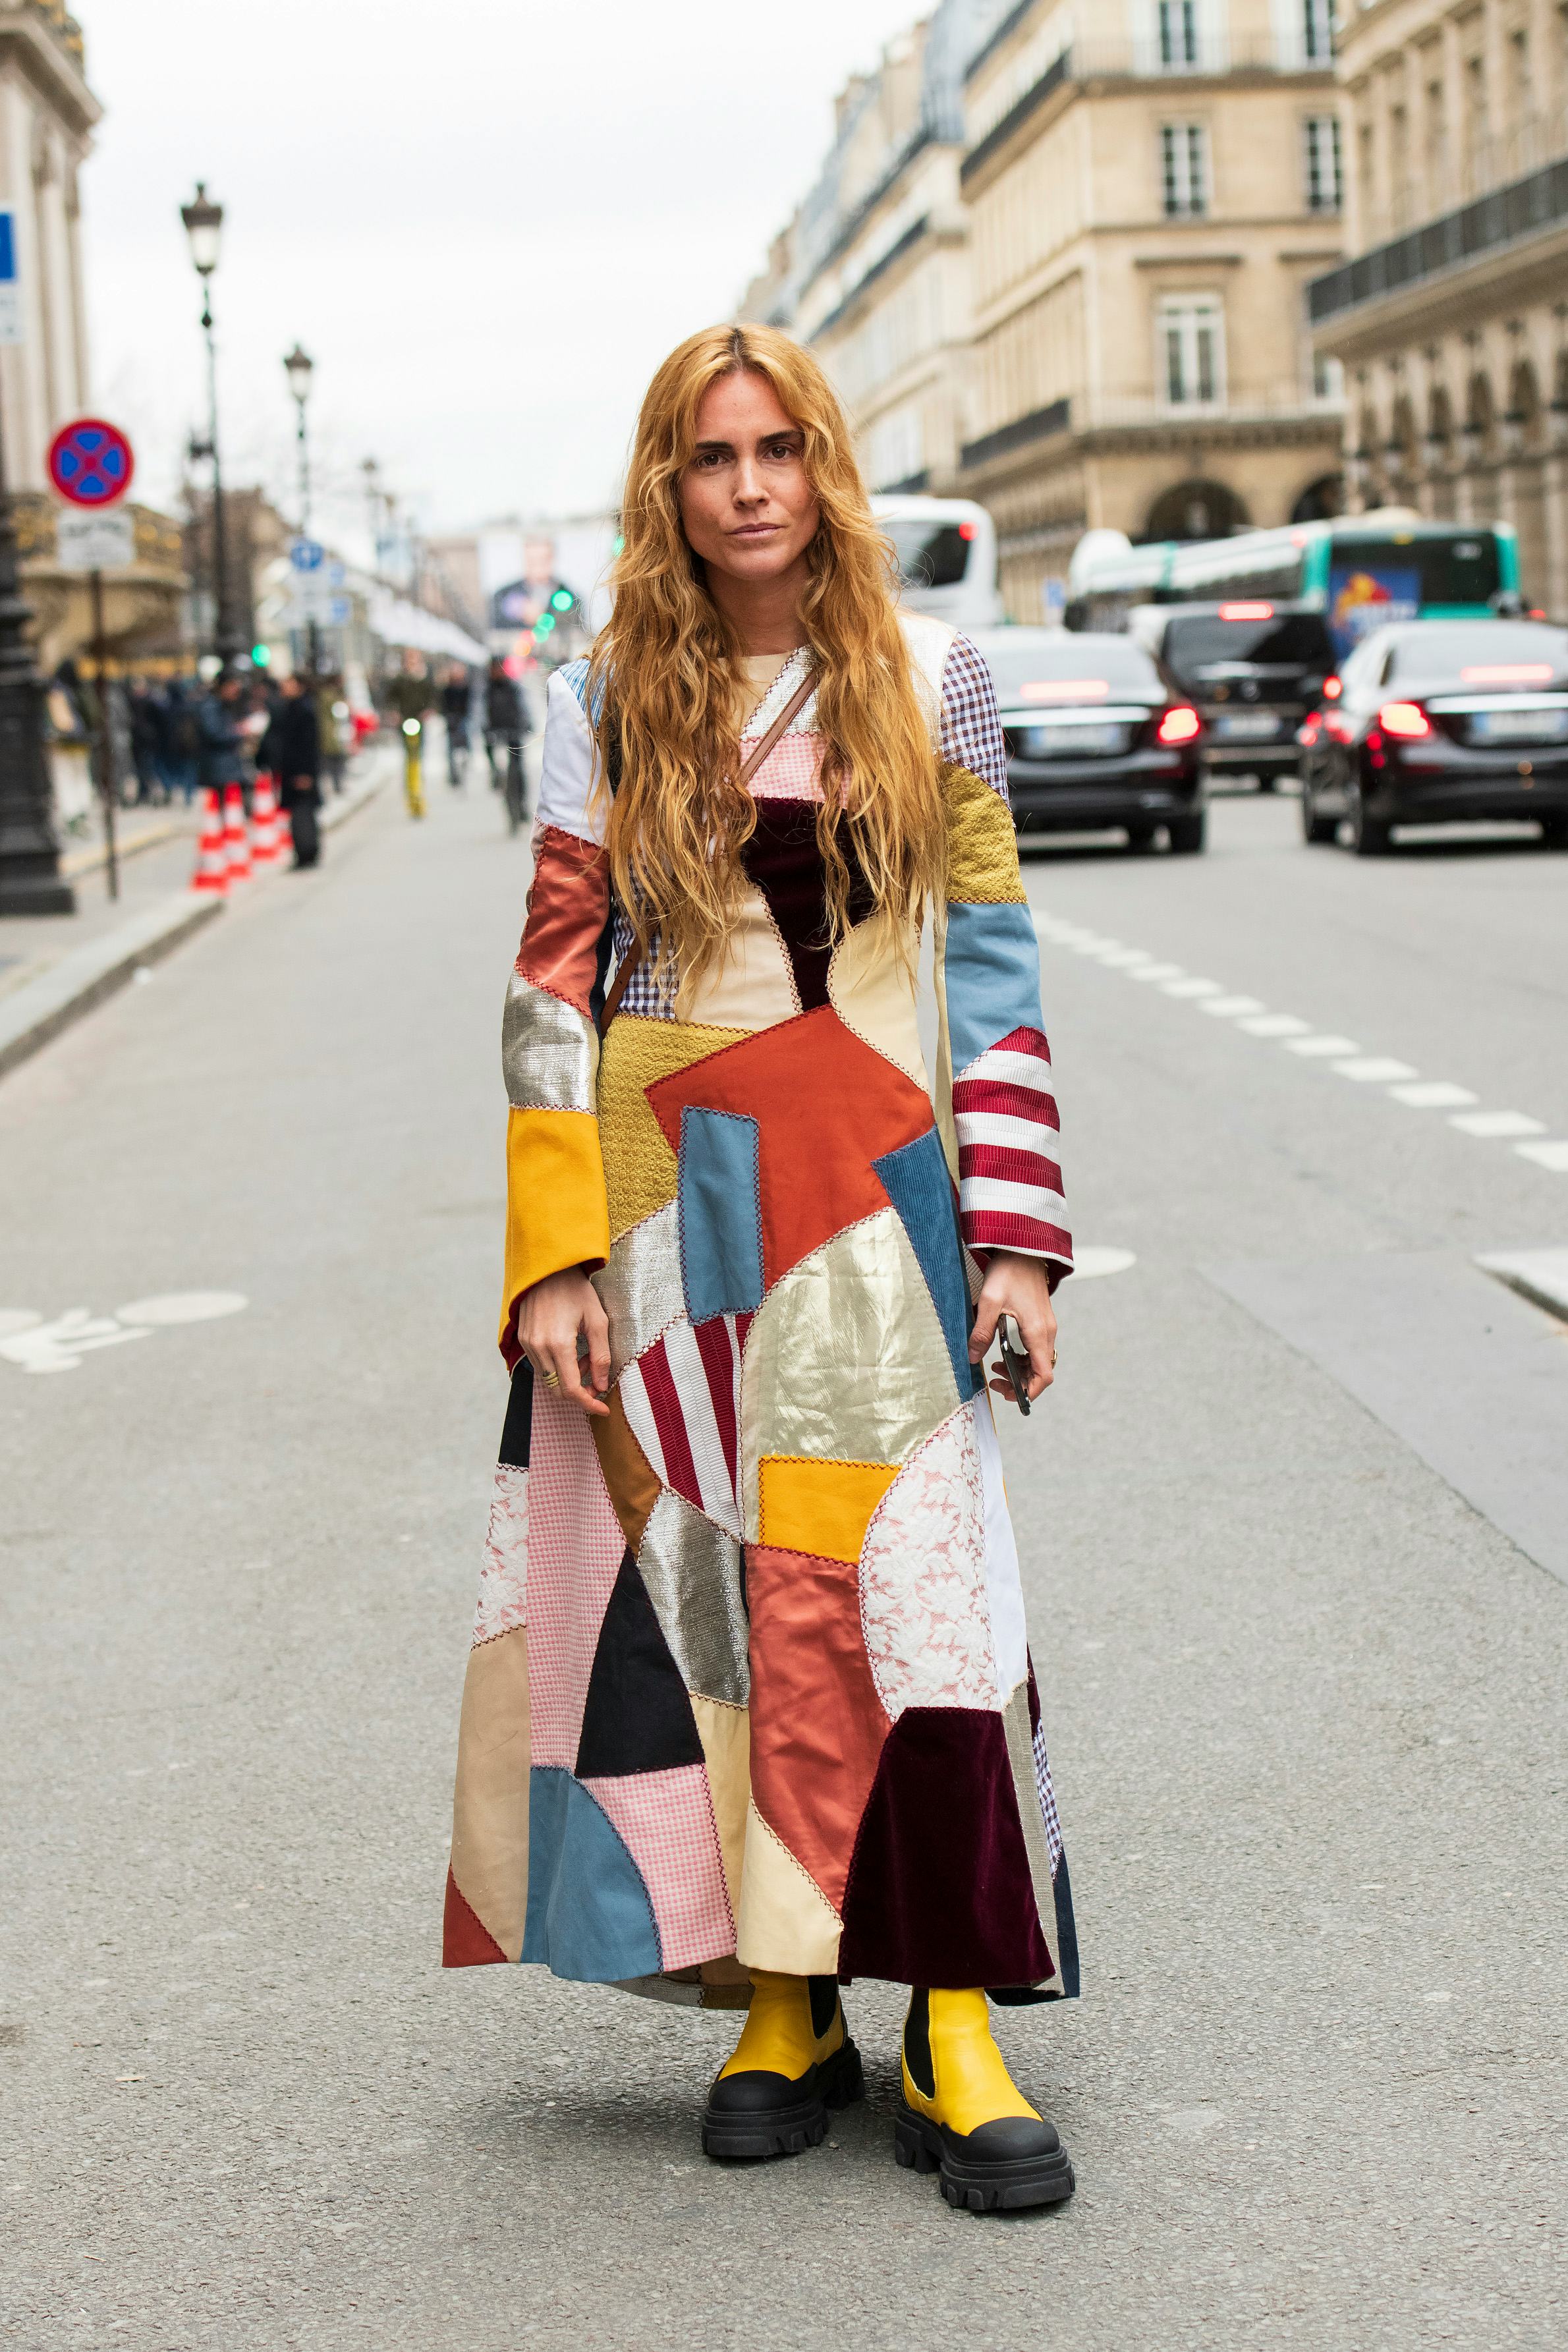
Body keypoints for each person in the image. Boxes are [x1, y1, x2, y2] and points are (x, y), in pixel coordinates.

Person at [443, 325, 1079, 2214]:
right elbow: (555, 968)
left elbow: (993, 979)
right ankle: (780, 1992)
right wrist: (555, 1252)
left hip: (883, 1195)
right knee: (711, 1606)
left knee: (917, 1605)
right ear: (668, 482)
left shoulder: (934, 682)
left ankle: (954, 2009)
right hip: (660, 1206)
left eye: (778, 448)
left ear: (823, 469)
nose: (746, 484)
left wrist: (1023, 1243)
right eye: (710, 453)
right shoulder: (602, 702)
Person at [258, 669, 322, 868]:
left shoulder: (303, 710)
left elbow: (308, 745)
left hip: (299, 771)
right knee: (299, 813)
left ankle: (307, 852)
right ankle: (304, 852)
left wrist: (305, 772)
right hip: (292, 770)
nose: (284, 687)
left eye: (289, 683)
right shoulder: (291, 707)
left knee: (302, 813)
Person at [483, 656, 530, 831]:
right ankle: (496, 779)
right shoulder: (486, 689)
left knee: (518, 772)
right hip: (496, 736)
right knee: (500, 770)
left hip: (514, 734)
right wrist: (485, 729)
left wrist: (526, 725)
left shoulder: (513, 686)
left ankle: (522, 803)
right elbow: (480, 711)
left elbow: (524, 708)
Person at [196, 668, 250, 802]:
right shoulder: (211, 707)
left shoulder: (224, 705)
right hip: (219, 768)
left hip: (226, 767)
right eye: (233, 686)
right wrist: (239, 732)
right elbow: (214, 733)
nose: (236, 690)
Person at [441, 663, 472, 788]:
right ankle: (453, 774)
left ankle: (466, 763)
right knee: (450, 748)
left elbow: (470, 705)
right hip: (451, 721)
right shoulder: (447, 689)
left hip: (463, 719)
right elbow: (443, 705)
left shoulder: (466, 688)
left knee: (466, 743)